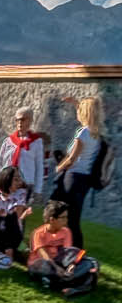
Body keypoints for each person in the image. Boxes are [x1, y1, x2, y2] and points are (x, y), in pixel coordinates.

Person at [48, 96, 106, 238]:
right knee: (74, 217)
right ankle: (75, 250)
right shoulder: (96, 134)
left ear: (84, 113)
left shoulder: (83, 133)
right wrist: (76, 104)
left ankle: (67, 248)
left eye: (79, 111)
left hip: (72, 178)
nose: (77, 114)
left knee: (62, 214)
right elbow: (87, 112)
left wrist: (58, 168)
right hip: (84, 180)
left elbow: (72, 159)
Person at [0, 167, 33, 269]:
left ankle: (7, 254)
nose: (19, 182)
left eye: (20, 179)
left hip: (12, 233)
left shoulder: (21, 193)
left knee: (10, 217)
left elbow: (17, 217)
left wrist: (6, 214)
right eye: (16, 179)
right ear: (7, 179)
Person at [0, 107, 50, 196]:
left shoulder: (36, 142)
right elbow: (0, 163)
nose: (19, 122)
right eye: (17, 120)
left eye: (23, 119)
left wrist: (38, 190)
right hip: (7, 183)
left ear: (30, 121)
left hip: (25, 184)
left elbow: (39, 167)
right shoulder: (8, 141)